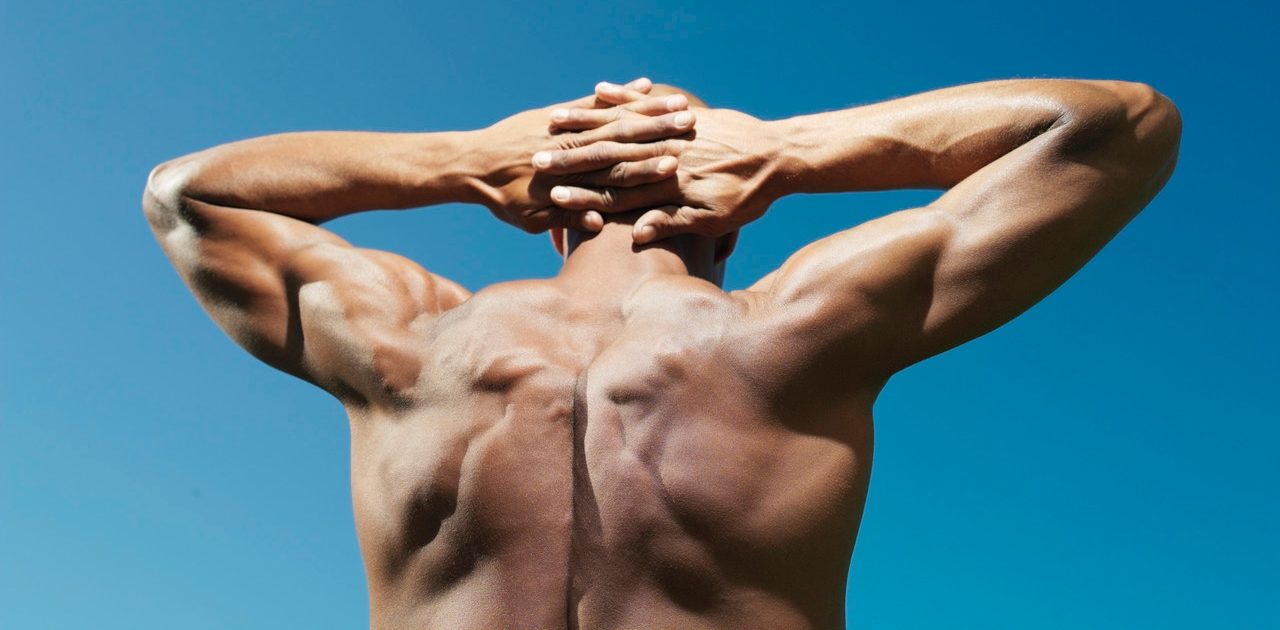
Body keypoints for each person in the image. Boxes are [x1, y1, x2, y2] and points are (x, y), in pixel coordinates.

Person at [143, 77, 1181, 630]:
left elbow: (189, 196)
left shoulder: (412, 341)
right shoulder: (798, 329)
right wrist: (786, 150)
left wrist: (466, 164)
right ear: (729, 216)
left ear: (551, 215)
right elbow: (1117, 124)